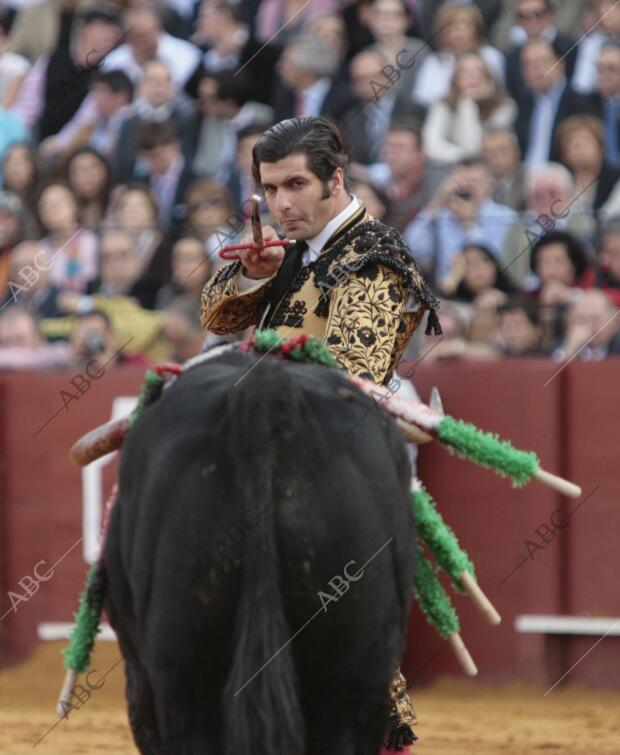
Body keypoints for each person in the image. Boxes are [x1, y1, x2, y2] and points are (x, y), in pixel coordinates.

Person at [200, 115, 441, 750]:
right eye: (270, 188)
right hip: (273, 463)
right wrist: (254, 273)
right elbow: (215, 315)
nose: (281, 203)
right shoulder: (295, 250)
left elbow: (351, 379)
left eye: (296, 185)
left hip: (335, 479)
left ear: (336, 179)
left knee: (345, 660)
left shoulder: (374, 254)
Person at [404, 156, 517, 286]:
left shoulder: (506, 218)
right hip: (445, 294)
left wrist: (469, 224)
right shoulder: (442, 215)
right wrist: (436, 202)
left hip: (488, 295)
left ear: (490, 184)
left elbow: (495, 266)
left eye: (474, 183)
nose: (467, 189)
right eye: (462, 183)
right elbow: (412, 248)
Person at [423, 52, 516, 166]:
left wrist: (467, 104)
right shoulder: (443, 105)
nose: (473, 77)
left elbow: (475, 148)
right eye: (465, 72)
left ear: (489, 78)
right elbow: (431, 146)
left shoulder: (504, 106)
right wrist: (466, 102)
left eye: (479, 71)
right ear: (455, 79)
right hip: (453, 167)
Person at [515, 38, 593, 167]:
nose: (536, 69)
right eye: (528, 64)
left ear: (560, 64)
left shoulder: (580, 102)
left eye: (542, 62)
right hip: (525, 176)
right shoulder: (523, 103)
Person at [412, 2, 505, 108]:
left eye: (465, 24)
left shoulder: (491, 56)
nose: (459, 31)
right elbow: (423, 98)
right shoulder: (434, 61)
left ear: (476, 28)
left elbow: (499, 94)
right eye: (452, 25)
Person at [103, 6, 200, 87]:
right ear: (128, 40)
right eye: (142, 36)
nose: (152, 39)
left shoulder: (187, 55)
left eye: (155, 30)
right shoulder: (113, 64)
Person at [504, 0, 578, 103]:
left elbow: (575, 86)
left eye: (537, 14)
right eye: (523, 16)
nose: (532, 20)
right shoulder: (512, 56)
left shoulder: (571, 47)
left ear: (550, 14)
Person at [134, 120, 195, 235]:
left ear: (175, 147)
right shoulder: (141, 180)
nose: (153, 161)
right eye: (147, 157)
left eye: (158, 155)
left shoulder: (194, 179)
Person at [554, 289, 620, 359]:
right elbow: (553, 369)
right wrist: (569, 351)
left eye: (595, 319)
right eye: (581, 320)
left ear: (613, 322)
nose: (588, 327)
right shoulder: (557, 348)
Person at [482, 126, 526, 211]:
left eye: (502, 151)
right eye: (489, 152)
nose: (496, 157)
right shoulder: (477, 185)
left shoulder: (529, 184)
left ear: (517, 153)